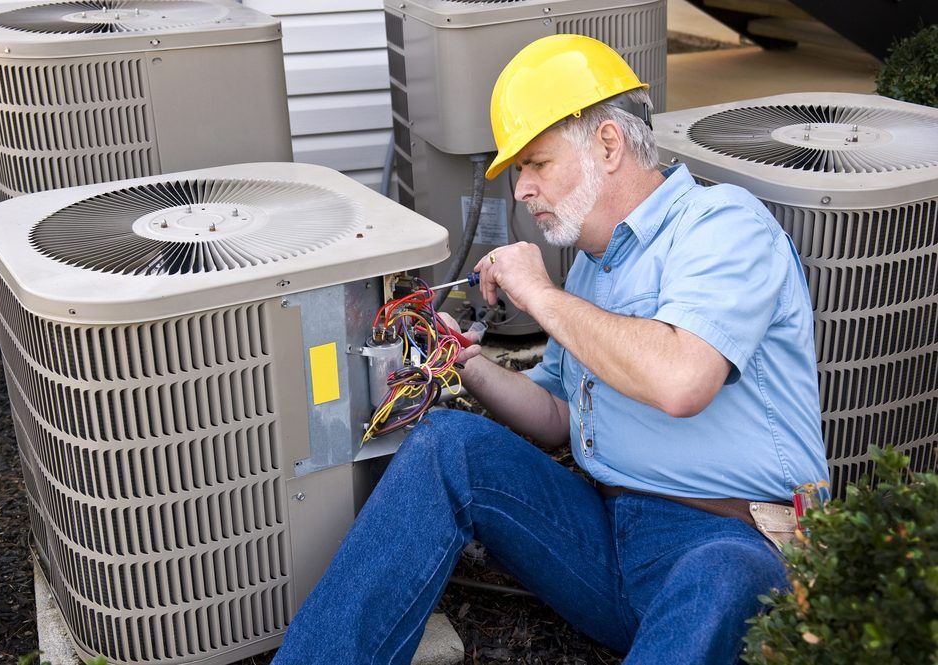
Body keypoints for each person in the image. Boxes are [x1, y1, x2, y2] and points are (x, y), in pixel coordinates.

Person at [273, 34, 828, 665]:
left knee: (723, 575)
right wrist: (470, 366)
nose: (521, 191)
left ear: (608, 145)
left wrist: (540, 294)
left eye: (536, 164)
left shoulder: (723, 227)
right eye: (518, 172)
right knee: (447, 445)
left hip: (733, 541)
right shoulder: (591, 270)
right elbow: (559, 416)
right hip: (608, 540)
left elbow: (681, 379)